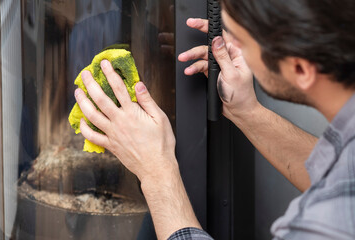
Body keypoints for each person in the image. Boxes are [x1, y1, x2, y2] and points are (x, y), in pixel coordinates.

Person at [74, 0, 355, 239]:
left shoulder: (325, 225)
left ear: (300, 68)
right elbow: (341, 171)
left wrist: (155, 172)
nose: (227, 48)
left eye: (241, 40)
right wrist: (246, 111)